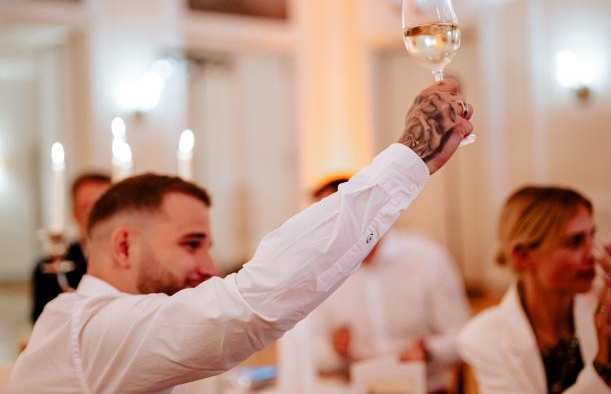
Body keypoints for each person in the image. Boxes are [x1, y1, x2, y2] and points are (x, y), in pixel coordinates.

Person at [9, 79, 474, 393]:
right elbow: (249, 306)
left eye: (209, 247)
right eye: (191, 244)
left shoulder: (131, 335)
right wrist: (410, 156)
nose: (210, 268)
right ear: (125, 245)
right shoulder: (86, 325)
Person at [310, 177, 470, 394]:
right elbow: (310, 353)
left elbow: (464, 338)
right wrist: (334, 349)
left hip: (426, 389)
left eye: (337, 218)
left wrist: (429, 351)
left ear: (368, 211)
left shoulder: (427, 259)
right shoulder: (325, 275)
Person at [458, 186, 611, 394]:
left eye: (591, 237)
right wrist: (603, 366)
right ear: (523, 256)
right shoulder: (485, 338)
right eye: (575, 242)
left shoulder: (603, 304)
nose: (592, 254)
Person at [31, 172, 111, 322]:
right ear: (75, 211)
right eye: (87, 206)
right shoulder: (49, 269)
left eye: (103, 204)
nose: (96, 213)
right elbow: (42, 322)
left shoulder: (132, 263)